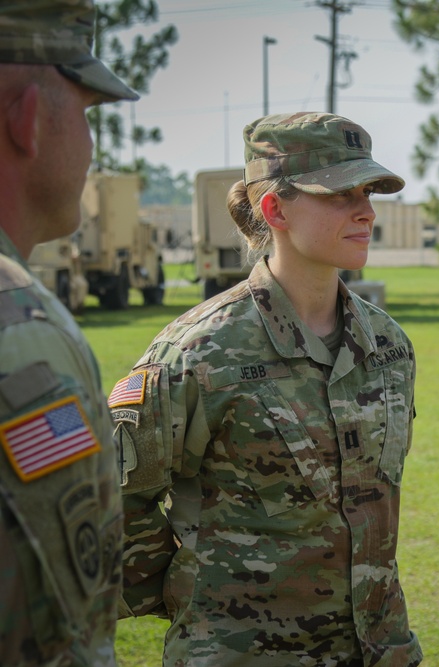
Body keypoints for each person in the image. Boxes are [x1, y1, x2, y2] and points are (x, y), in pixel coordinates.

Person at [110, 112, 422, 666]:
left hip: (379, 651)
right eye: (339, 193)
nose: (366, 210)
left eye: (369, 191)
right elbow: (116, 499)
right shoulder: (200, 351)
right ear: (274, 209)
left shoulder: (388, 345)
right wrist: (193, 596)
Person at [0, 2, 139, 665]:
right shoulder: (22, 329)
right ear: (25, 119)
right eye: (85, 115)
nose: (90, 145)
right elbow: (54, 639)